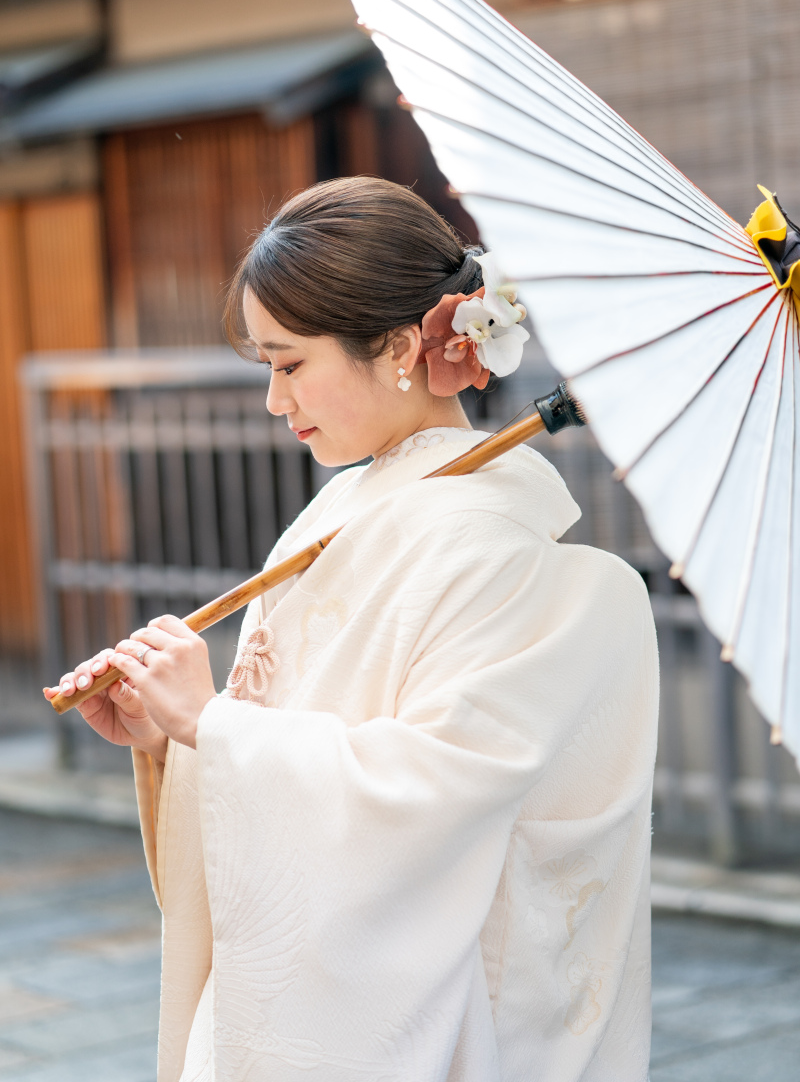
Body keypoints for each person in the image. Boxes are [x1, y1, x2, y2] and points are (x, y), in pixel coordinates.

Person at [49, 177, 659, 1082]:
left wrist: (214, 727)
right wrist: (174, 738)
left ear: (404, 345)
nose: (272, 399)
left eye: (290, 364)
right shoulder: (349, 506)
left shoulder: (488, 541)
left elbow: (432, 800)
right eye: (265, 366)